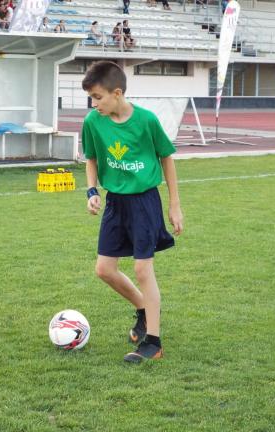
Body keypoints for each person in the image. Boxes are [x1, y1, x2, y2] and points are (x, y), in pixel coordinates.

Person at [80, 61, 183, 363]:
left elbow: (167, 158)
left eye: (98, 97)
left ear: (117, 92)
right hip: (115, 203)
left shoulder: (146, 121)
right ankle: (144, 308)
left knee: (142, 269)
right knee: (104, 270)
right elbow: (91, 158)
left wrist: (174, 205)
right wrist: (91, 191)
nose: (94, 104)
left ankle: (153, 341)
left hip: (144, 202)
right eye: (91, 98)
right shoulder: (93, 122)